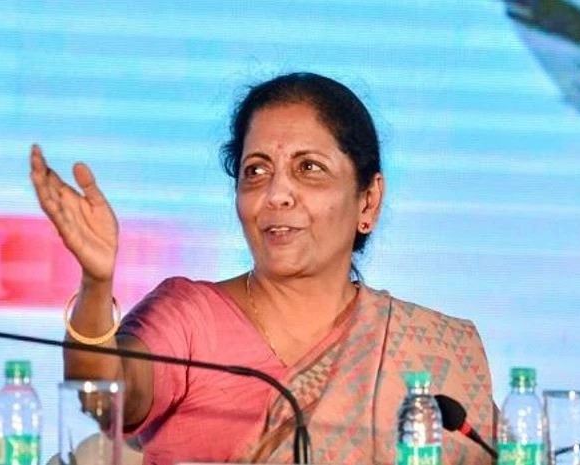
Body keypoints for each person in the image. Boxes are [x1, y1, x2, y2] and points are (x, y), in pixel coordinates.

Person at [30, 72, 495, 465]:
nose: (276, 194)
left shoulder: (433, 351)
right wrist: (96, 282)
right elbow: (107, 395)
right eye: (256, 171)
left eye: (309, 167)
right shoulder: (190, 315)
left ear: (368, 201)